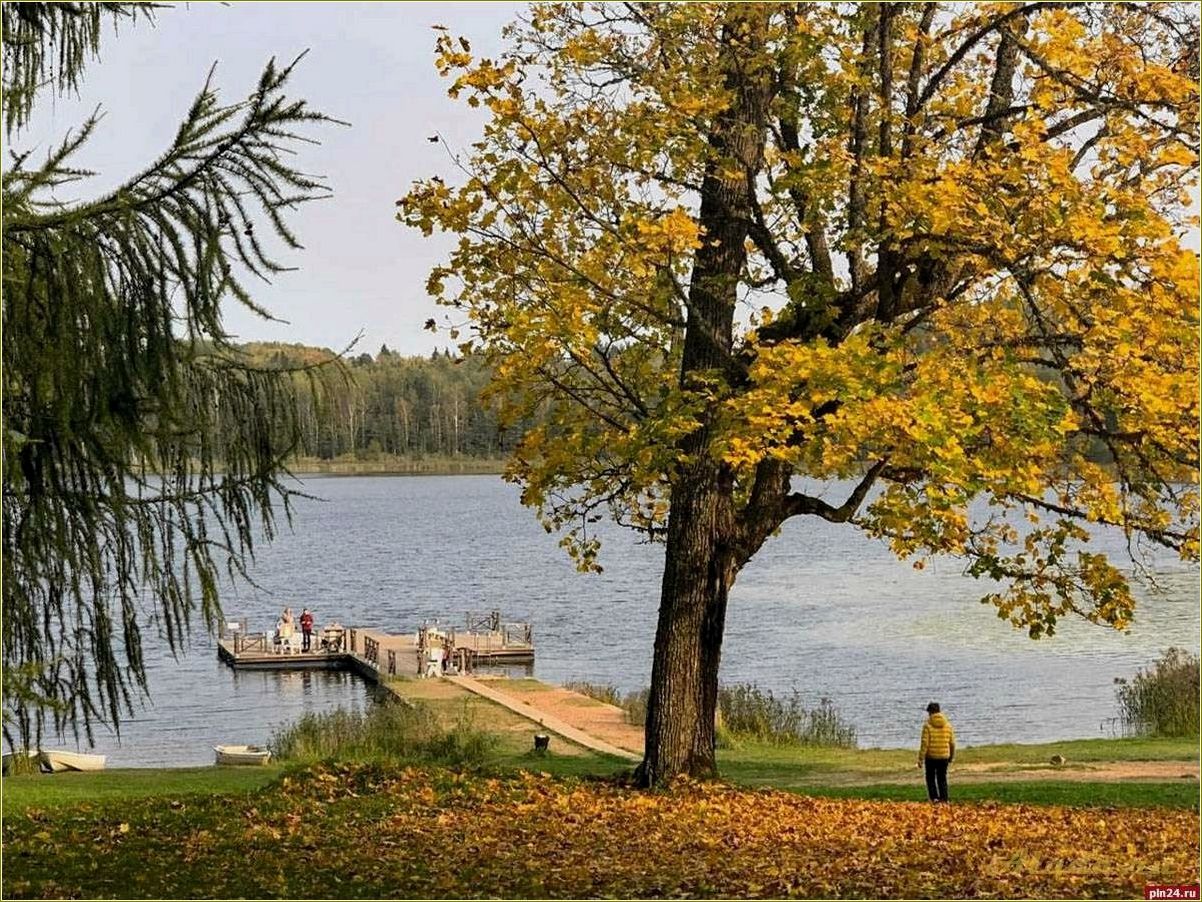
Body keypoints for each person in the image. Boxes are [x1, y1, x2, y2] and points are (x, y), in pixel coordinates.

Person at [918, 701, 955, 802]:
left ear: (930, 712)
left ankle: (934, 798)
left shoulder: (927, 725)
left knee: (930, 778)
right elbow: (952, 743)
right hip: (944, 756)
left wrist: (920, 759)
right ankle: (944, 798)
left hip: (931, 757)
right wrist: (951, 756)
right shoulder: (948, 725)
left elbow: (925, 744)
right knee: (942, 778)